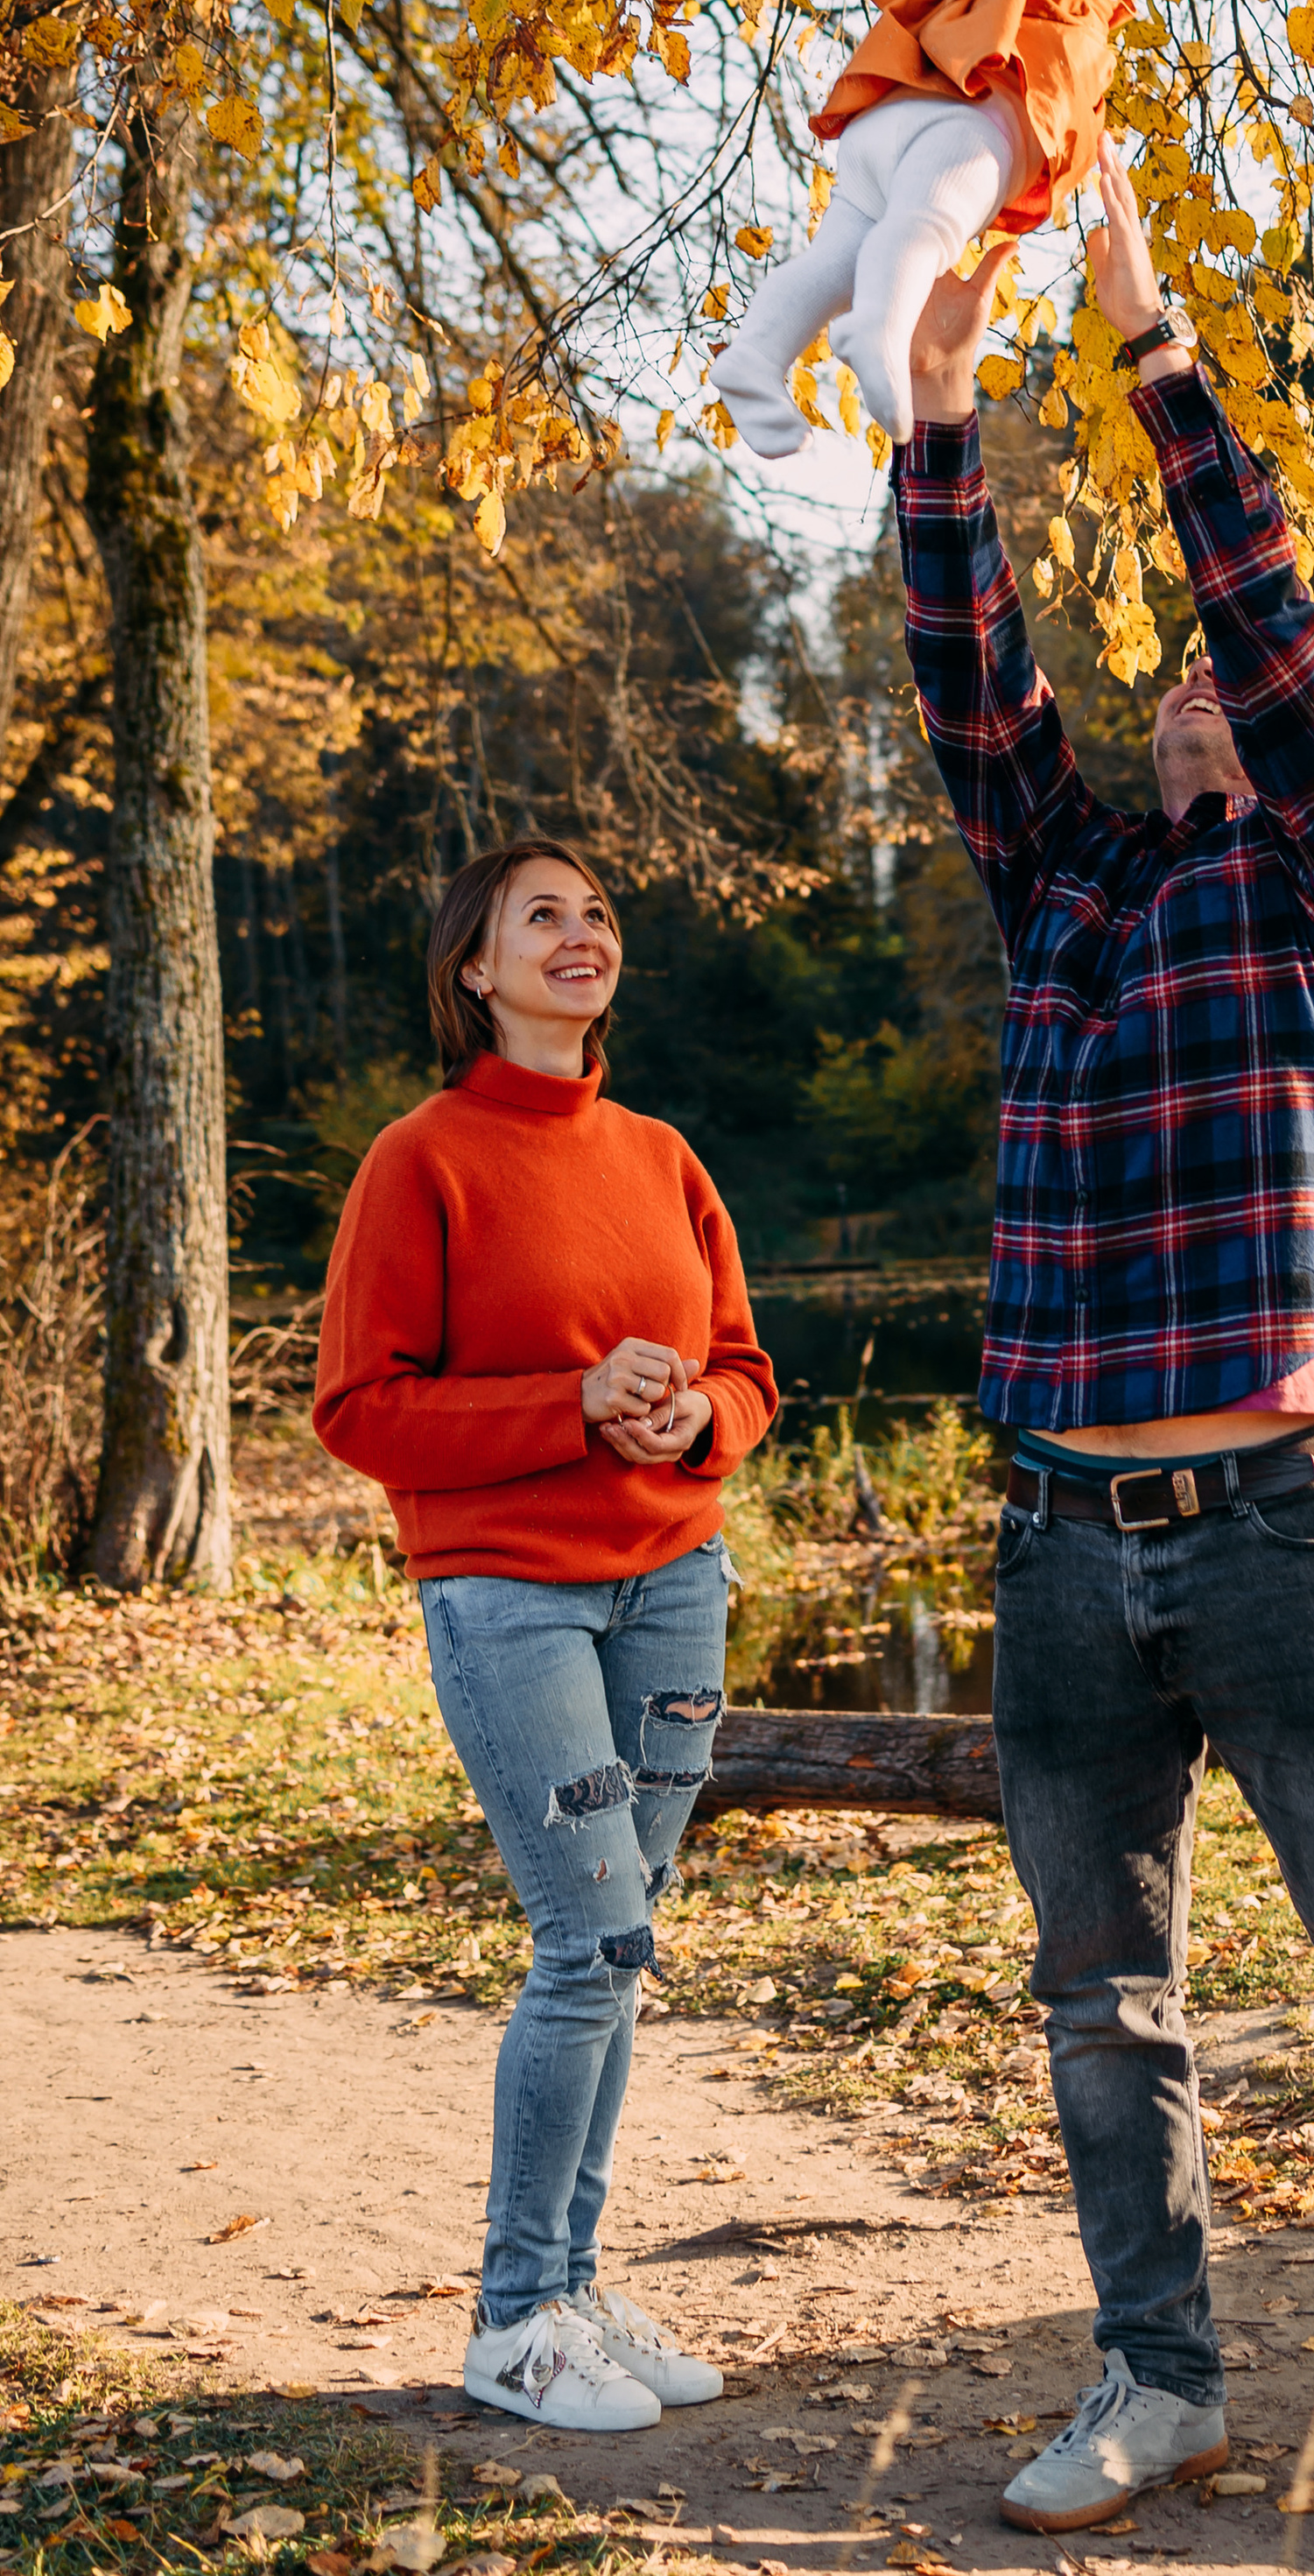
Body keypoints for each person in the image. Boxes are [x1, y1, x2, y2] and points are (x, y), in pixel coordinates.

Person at [889, 143, 1314, 2551]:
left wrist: (1148, 338)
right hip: (1065, 1538)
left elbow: (1263, 612)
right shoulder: (1066, 885)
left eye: (1224, 687)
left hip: (1282, 1521)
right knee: (1100, 1998)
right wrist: (939, 412)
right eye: (1160, 679)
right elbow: (976, 689)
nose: (1192, 686)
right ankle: (1155, 2376)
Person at [314, 836, 779, 2432]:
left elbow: (747, 1372)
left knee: (623, 1944)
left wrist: (691, 1422)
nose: (580, 933)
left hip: (675, 1585)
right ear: (476, 965)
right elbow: (360, 1408)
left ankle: (569, 2289)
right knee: (584, 1940)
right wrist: (568, 1403)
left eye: (596, 912)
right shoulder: (421, 1159)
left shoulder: (663, 1153)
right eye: (542, 915)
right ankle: (513, 2316)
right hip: (507, 1594)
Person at [713, 0, 1314, 459]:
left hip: (885, 111)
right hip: (964, 121)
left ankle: (756, 356)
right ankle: (879, 327)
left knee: (831, 261)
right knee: (929, 223)